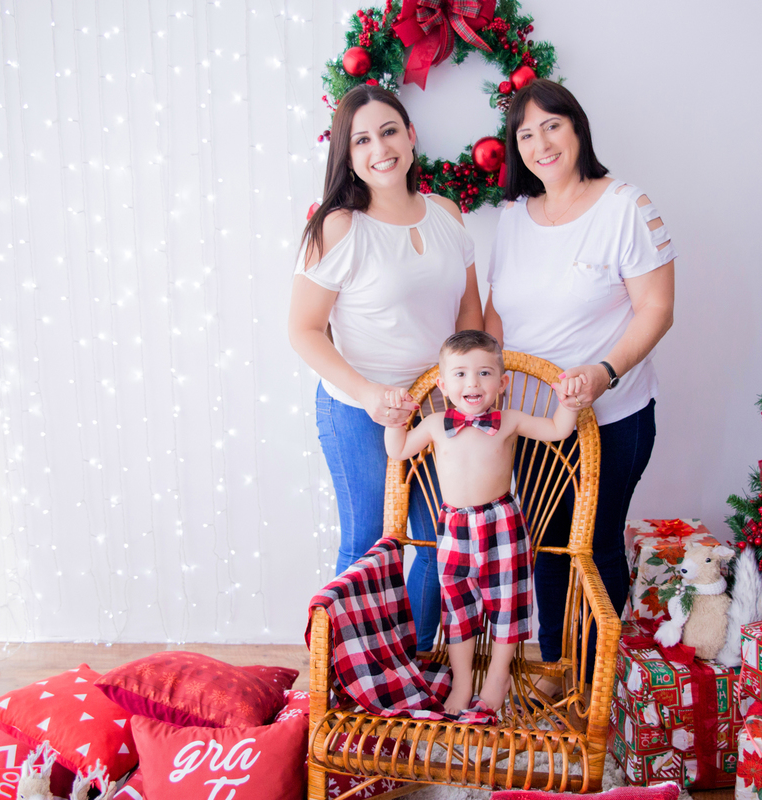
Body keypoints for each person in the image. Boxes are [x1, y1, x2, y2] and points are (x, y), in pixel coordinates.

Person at [484, 79, 676, 697]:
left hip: (611, 415)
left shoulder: (626, 206)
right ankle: (557, 674)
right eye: (526, 133)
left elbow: (655, 310)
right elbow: (496, 317)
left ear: (578, 129)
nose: (541, 143)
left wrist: (603, 372)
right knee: (544, 545)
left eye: (553, 126)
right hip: (534, 422)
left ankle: (596, 691)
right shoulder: (512, 220)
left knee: (590, 548)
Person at [288, 84, 483, 650]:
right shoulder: (339, 228)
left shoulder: (447, 213)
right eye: (363, 139)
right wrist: (370, 392)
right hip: (358, 409)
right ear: (348, 157)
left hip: (435, 411)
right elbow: (302, 330)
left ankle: (412, 661)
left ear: (412, 136)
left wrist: (463, 390)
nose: (381, 148)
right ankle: (345, 676)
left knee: (436, 541)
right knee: (369, 539)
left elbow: (467, 314)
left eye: (390, 131)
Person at [383, 330, 583, 714]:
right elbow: (398, 450)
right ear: (442, 384)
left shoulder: (508, 420)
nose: (472, 383)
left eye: (485, 373)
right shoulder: (436, 424)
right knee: (457, 607)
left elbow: (559, 430)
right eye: (459, 374)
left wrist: (569, 403)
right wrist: (397, 419)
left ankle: (496, 677)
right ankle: (461, 683)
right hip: (455, 528)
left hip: (502, 524)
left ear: (503, 382)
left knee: (506, 604)